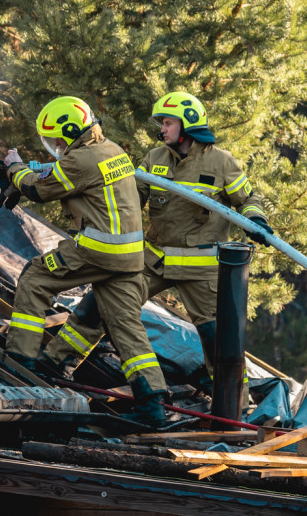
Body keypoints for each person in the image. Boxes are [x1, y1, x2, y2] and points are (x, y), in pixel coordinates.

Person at [41, 91, 272, 395]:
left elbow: (248, 199)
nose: (161, 129)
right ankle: (55, 363)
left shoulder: (222, 163)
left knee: (220, 340)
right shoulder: (154, 159)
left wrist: (256, 220)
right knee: (98, 305)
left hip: (201, 268)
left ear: (188, 124)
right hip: (153, 260)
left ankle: (233, 408)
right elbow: (129, 197)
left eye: (167, 122)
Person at [0, 95, 170, 426]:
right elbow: (62, 175)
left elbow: (40, 190)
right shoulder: (112, 151)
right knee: (124, 324)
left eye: (58, 139)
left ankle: (20, 361)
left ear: (73, 130)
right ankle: (152, 402)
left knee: (35, 278)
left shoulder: (80, 161)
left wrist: (14, 167)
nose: (56, 146)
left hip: (99, 250)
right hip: (131, 256)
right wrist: (26, 174)